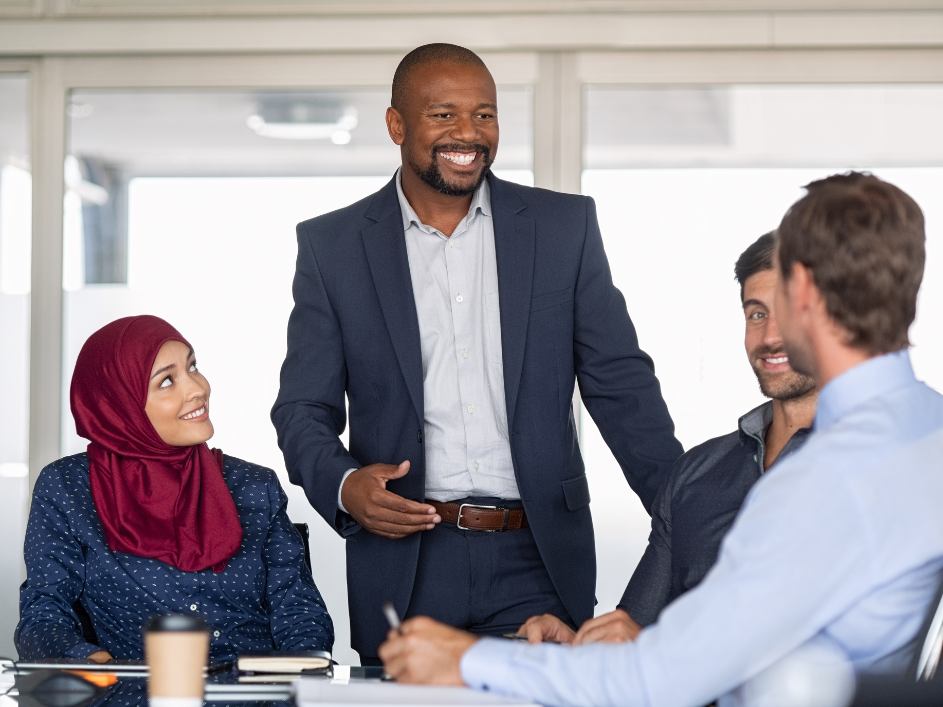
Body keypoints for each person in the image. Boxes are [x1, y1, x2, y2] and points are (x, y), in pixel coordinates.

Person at [379, 172, 943, 707]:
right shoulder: (928, 429)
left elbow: (663, 682)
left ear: (805, 298)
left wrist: (471, 659)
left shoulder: (818, 481)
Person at [271, 42, 682, 662]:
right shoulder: (334, 247)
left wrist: (692, 511)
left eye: (485, 115)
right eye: (443, 115)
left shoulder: (562, 227)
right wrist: (344, 482)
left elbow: (620, 385)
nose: (469, 132)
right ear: (397, 125)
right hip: (406, 560)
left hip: (537, 557)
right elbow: (302, 408)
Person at [519, 232, 818, 646]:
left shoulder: (884, 467)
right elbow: (633, 633)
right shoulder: (697, 474)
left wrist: (655, 651)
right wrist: (577, 648)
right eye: (756, 314)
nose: (769, 337)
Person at [16, 315, 333, 662]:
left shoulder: (256, 487)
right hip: (136, 696)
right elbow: (43, 613)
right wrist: (85, 662)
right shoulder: (68, 488)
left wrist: (302, 676)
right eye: (167, 381)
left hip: (257, 695)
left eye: (193, 366)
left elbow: (299, 610)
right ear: (119, 405)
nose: (198, 388)